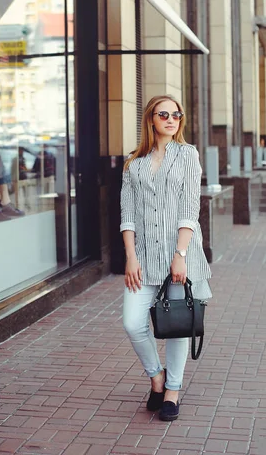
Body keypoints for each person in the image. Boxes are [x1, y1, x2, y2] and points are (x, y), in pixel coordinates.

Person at [121, 95, 212, 422]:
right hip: (144, 258)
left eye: (177, 115)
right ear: (151, 120)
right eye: (164, 114)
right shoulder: (133, 161)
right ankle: (156, 377)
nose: (172, 119)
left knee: (177, 325)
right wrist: (130, 256)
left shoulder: (188, 155)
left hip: (179, 257)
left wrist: (181, 254)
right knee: (132, 322)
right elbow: (127, 214)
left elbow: (190, 208)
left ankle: (171, 390)